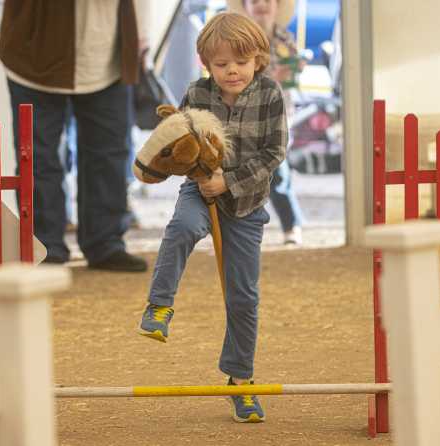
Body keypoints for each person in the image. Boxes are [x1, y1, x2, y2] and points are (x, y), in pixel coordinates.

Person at [139, 13, 287, 423]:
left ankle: (240, 381)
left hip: (246, 202)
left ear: (257, 59)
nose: (231, 71)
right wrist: (199, 175)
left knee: (243, 297)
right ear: (207, 64)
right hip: (199, 190)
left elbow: (274, 153)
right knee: (183, 227)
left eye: (240, 62)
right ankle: (159, 306)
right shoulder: (196, 93)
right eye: (221, 65)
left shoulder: (270, 94)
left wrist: (230, 181)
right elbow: (178, 141)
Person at [0, 0, 148, 271]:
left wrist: (142, 32)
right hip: (34, 51)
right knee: (37, 156)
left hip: (107, 50)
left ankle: (106, 243)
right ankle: (44, 246)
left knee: (110, 152)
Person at [229, 0, 305, 245]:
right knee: (251, 170)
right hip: (249, 113)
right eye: (254, 1)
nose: (261, 4)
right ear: (245, 6)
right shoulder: (241, 40)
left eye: (267, 0)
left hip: (280, 112)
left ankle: (291, 223)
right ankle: (249, 225)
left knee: (276, 169)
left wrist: (295, 69)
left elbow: (293, 70)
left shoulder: (285, 37)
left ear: (277, 5)